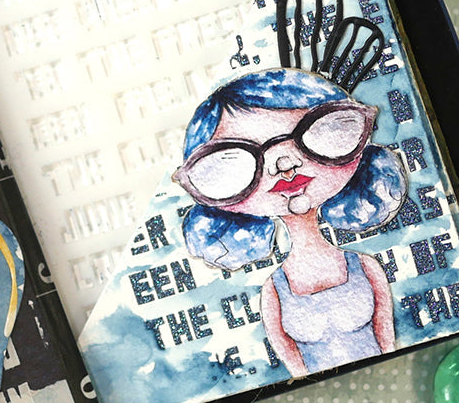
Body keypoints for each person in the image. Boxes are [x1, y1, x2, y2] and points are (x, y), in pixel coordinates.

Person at [172, 68, 407, 377]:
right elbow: (294, 364)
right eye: (234, 161)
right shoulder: (274, 289)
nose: (285, 164)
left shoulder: (366, 267)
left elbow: (387, 340)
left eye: (318, 131)